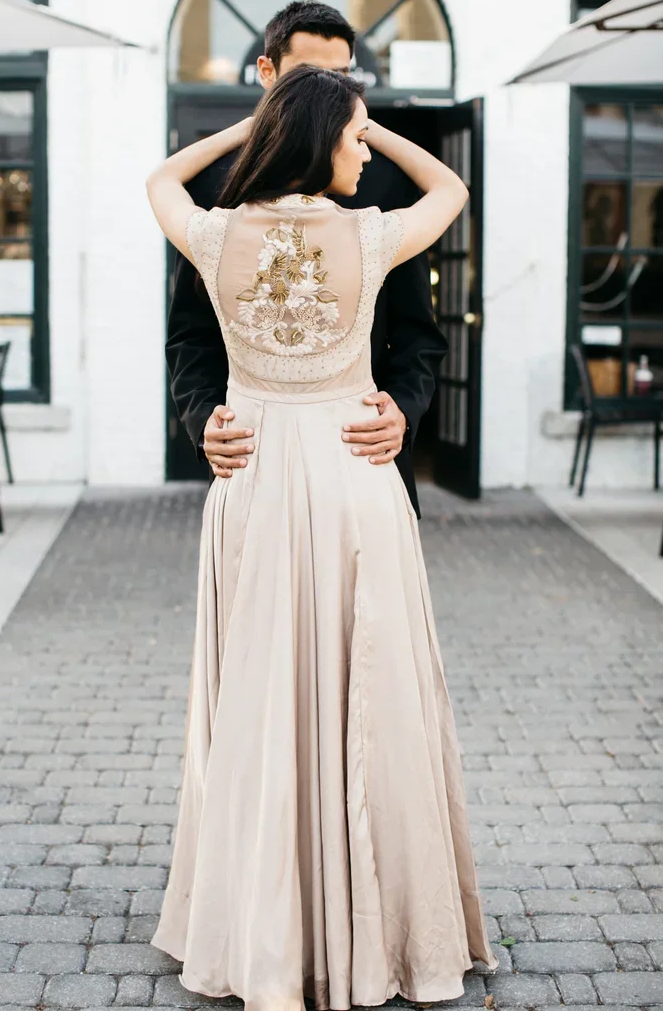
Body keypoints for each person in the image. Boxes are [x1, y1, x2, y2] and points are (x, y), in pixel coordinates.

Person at [146, 65, 499, 1011]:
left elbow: (159, 181)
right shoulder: (367, 234)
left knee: (261, 700)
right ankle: (368, 925)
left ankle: (261, 925)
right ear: (323, 141)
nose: (362, 150)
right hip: (350, 479)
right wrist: (370, 131)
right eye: (351, 137)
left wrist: (253, 130)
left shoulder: (218, 234)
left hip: (255, 477)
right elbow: (453, 190)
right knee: (371, 696)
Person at [166, 1, 448, 511]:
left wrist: (403, 411)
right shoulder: (216, 182)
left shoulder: (385, 178)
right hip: (256, 458)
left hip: (364, 454)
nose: (329, 91)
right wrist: (202, 414)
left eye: (341, 76)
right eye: (310, 75)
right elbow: (191, 329)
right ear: (267, 72)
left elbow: (417, 330)